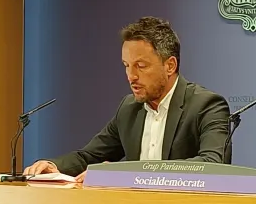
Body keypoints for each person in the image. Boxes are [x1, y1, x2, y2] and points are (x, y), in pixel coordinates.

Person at [24, 16, 232, 180]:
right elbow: (90, 157)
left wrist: (127, 174)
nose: (131, 76)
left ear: (170, 65)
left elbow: (212, 165)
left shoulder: (206, 105)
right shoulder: (129, 108)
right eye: (126, 66)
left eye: (141, 66)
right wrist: (54, 166)